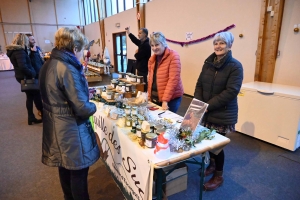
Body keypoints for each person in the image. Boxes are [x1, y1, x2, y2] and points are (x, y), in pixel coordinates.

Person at [39, 27, 100, 200]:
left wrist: (82, 95)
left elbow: (57, 95)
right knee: (78, 173)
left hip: (56, 126)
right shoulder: (67, 68)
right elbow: (82, 109)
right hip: (71, 130)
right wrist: (94, 106)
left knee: (65, 168)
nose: (82, 53)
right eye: (81, 50)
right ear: (75, 49)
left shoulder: (48, 64)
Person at [194, 32, 243, 191]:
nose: (218, 46)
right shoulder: (208, 63)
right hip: (206, 110)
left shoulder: (235, 66)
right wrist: (199, 102)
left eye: (222, 43)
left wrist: (207, 105)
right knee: (207, 142)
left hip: (222, 113)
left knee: (217, 146)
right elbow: (199, 84)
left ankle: (218, 175)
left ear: (230, 45)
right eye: (216, 43)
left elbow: (231, 92)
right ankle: (212, 166)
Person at [6, 33, 43, 125]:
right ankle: (41, 115)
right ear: (23, 41)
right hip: (26, 76)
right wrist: (33, 73)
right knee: (35, 95)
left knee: (30, 97)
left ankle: (31, 117)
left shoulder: (13, 51)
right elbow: (23, 66)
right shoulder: (20, 51)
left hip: (21, 76)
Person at [148, 32, 184, 113]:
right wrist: (149, 96)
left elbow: (173, 80)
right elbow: (151, 79)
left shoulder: (173, 56)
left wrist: (165, 100)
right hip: (156, 96)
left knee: (168, 122)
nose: (154, 48)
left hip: (171, 99)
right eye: (152, 46)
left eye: (157, 45)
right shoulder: (152, 59)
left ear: (164, 43)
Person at [26, 34, 45, 116]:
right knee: (36, 94)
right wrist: (33, 53)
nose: (34, 41)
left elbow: (41, 59)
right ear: (28, 41)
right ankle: (40, 110)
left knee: (42, 92)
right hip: (34, 74)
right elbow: (28, 62)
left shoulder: (37, 48)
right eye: (32, 40)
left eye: (34, 39)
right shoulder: (27, 51)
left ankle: (43, 108)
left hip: (41, 71)